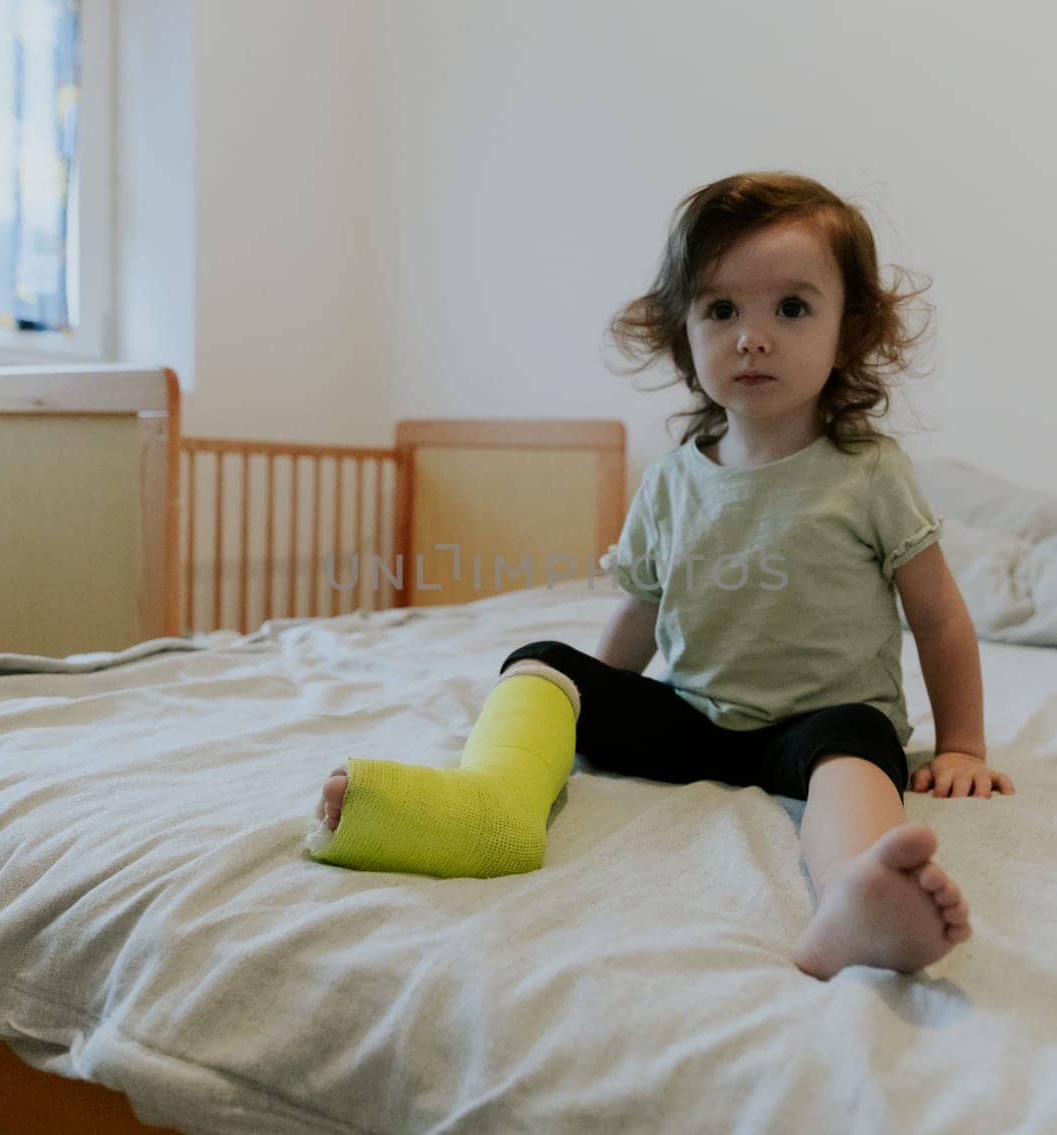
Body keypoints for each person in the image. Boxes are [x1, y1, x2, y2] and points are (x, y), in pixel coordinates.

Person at [306, 170, 1015, 980]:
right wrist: (589, 704)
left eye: (791, 308)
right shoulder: (673, 480)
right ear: (684, 334)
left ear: (848, 332)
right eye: (721, 310)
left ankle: (856, 893)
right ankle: (490, 803)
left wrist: (961, 743)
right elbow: (640, 616)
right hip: (692, 717)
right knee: (541, 661)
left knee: (859, 747)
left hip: (817, 725)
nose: (752, 336)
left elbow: (939, 617)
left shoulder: (868, 472)